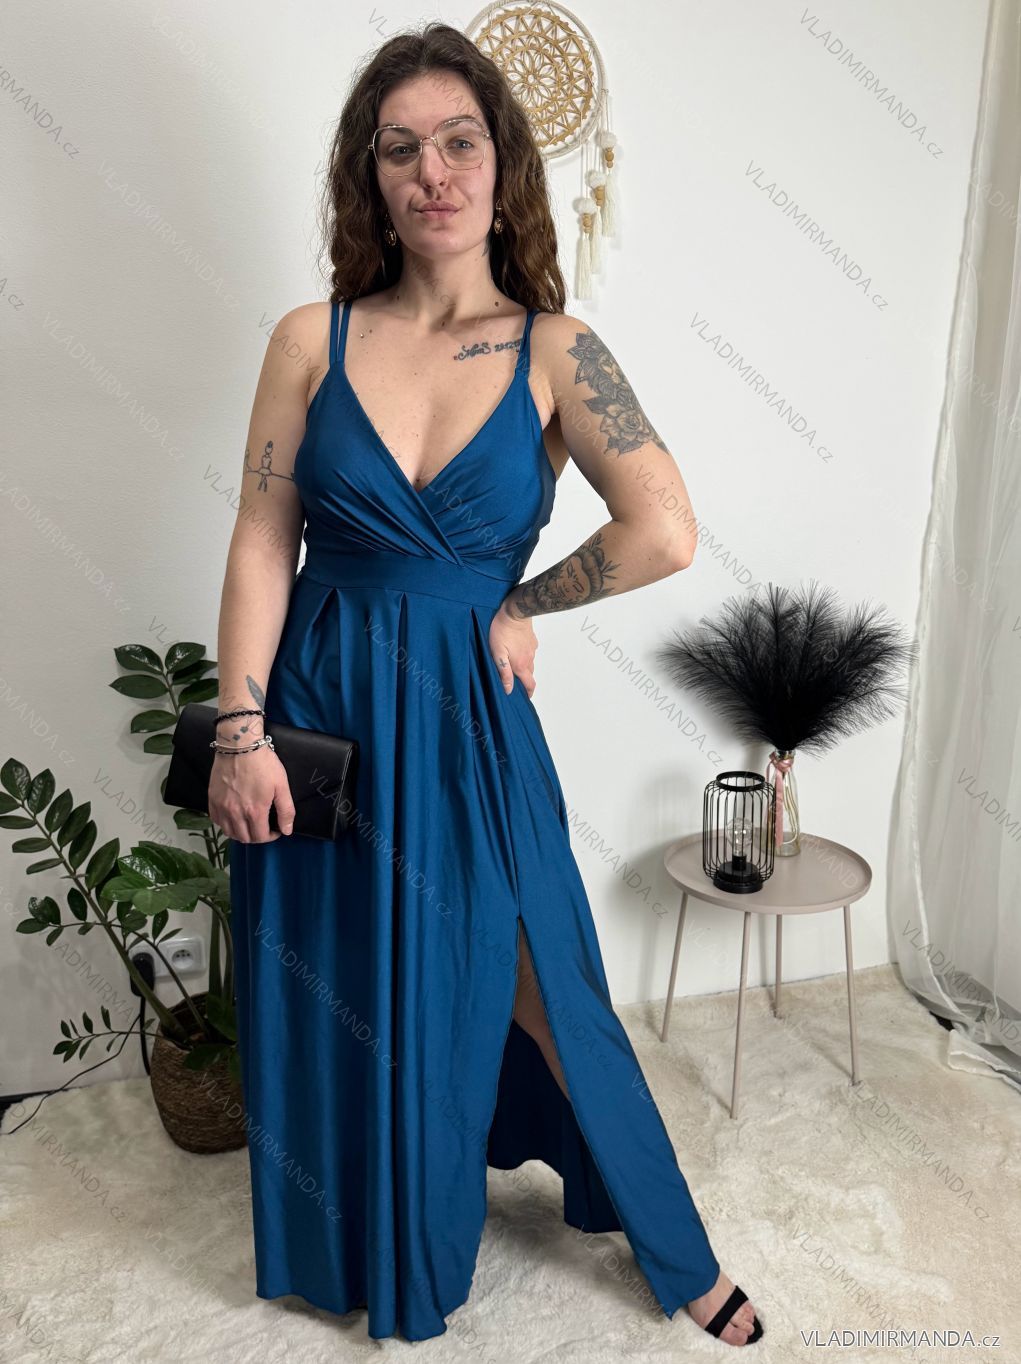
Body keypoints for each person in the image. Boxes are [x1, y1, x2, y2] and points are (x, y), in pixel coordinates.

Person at [212, 20, 763, 1349]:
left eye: (459, 141)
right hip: (318, 707)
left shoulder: (558, 350)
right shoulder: (308, 340)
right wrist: (239, 727)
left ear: (501, 162)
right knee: (340, 962)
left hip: (465, 714)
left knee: (538, 968)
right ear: (369, 176)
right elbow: (261, 538)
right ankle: (359, 1227)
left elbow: (666, 530)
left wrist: (523, 601)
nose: (433, 172)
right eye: (399, 148)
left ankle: (674, 1248)